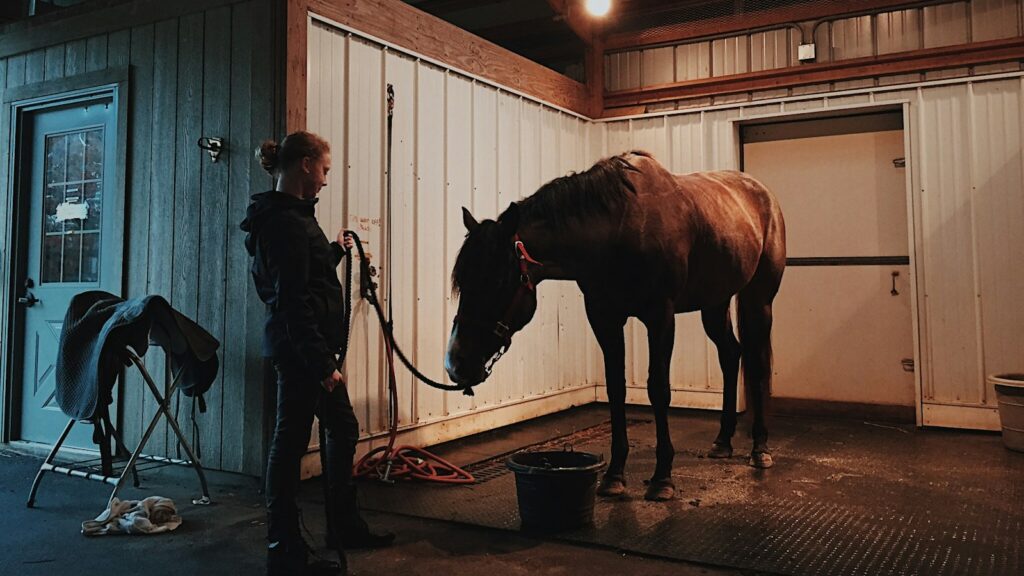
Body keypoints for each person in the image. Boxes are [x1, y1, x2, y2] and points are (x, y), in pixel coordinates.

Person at [241, 131, 394, 576]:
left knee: (340, 428)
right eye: (325, 169)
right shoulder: (285, 221)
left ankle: (341, 527)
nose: (327, 179)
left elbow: (302, 276)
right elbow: (291, 301)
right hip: (303, 353)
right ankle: (284, 546)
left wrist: (332, 251)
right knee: (289, 443)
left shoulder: (292, 217)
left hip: (307, 349)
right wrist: (322, 364)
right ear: (306, 163)